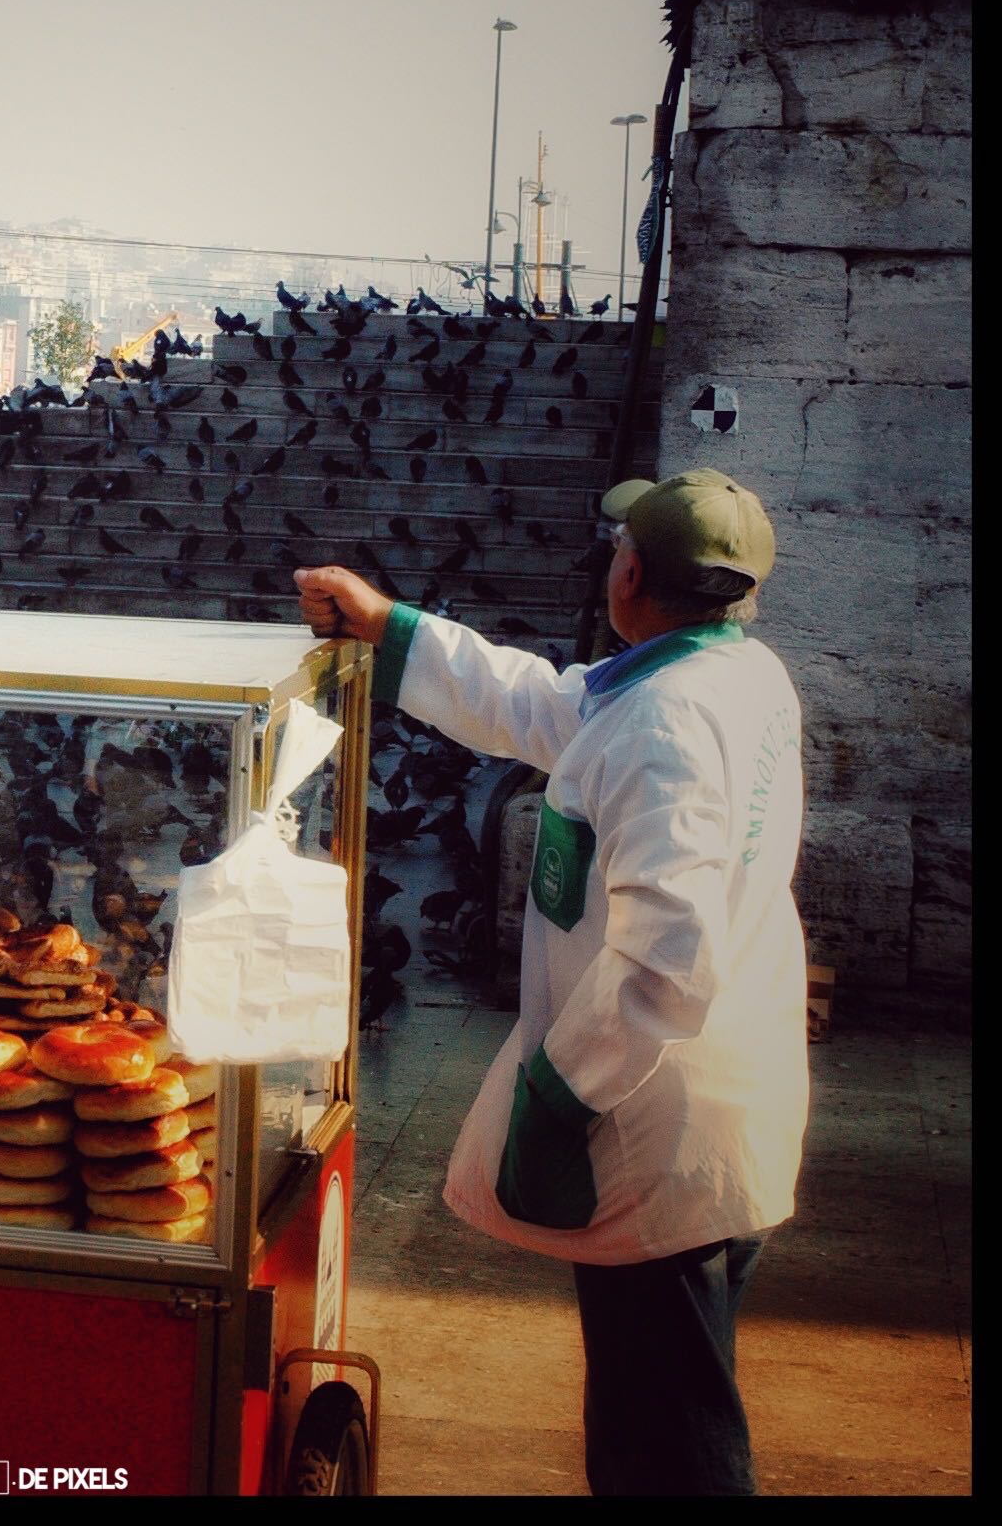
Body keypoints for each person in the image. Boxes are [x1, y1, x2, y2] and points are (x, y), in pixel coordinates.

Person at [295, 470, 805, 1497]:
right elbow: (538, 703)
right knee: (643, 1404)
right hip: (706, 1101)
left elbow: (667, 958)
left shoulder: (661, 725)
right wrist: (392, 629)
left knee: (668, 1437)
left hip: (645, 1111)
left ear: (627, 572)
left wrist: (559, 1091)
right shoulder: (725, 678)